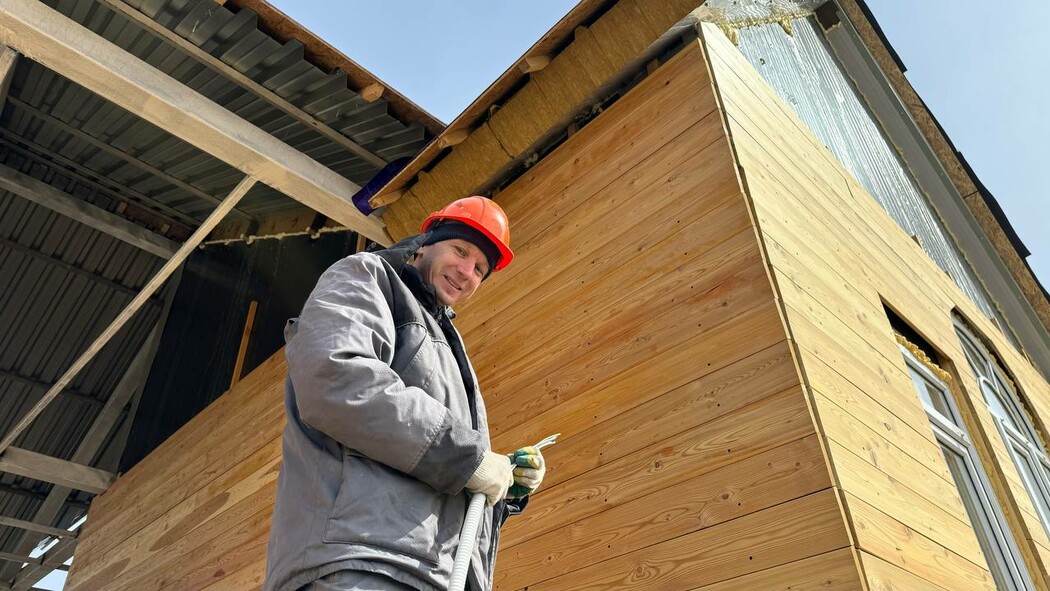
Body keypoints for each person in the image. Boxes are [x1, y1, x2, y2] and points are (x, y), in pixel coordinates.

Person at [263, 196, 547, 591]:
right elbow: (338, 376)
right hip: (360, 564)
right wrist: (468, 459)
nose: (467, 271)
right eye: (460, 250)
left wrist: (501, 488)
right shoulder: (369, 277)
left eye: (480, 269)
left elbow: (439, 470)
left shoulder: (448, 343)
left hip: (423, 572)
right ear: (425, 244)